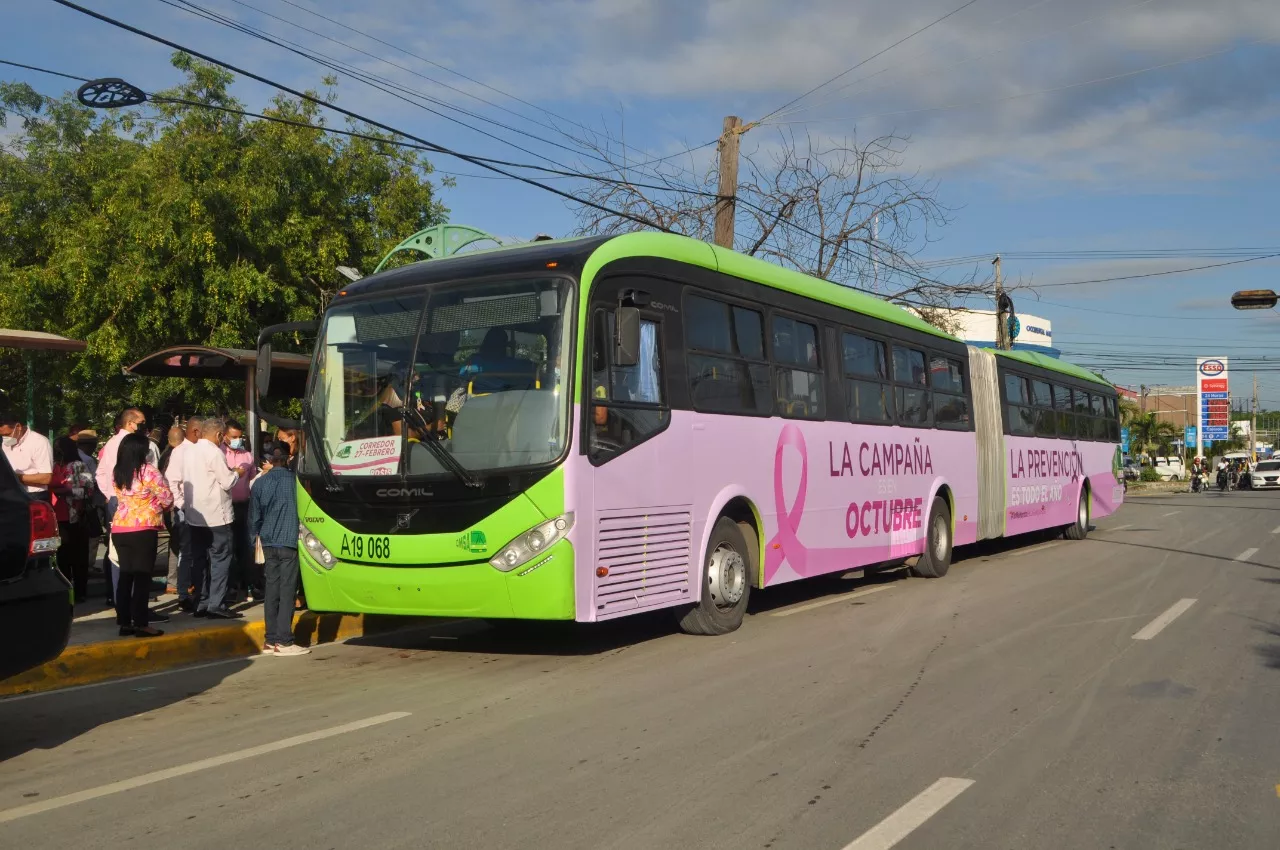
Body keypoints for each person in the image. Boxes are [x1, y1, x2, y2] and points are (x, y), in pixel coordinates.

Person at [185, 417, 251, 619]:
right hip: (216, 516)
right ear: (219, 435)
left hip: (195, 516)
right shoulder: (214, 452)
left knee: (199, 560)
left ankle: (202, 602)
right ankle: (216, 604)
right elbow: (227, 481)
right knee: (221, 559)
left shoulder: (189, 451)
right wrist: (238, 472)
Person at [112, 432, 172, 637]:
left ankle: (125, 621)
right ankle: (141, 623)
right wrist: (156, 507)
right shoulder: (149, 472)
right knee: (143, 576)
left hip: (120, 528)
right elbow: (167, 498)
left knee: (126, 576)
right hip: (143, 529)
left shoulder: (118, 472)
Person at [251, 443, 309, 656]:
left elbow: (254, 518)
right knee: (287, 591)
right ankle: (284, 640)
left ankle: (270, 638)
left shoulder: (260, 483)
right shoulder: (296, 482)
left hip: (267, 541)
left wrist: (255, 539)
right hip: (288, 540)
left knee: (271, 590)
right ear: (288, 457)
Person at [96, 409, 159, 603]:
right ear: (131, 423)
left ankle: (119, 601)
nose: (144, 426)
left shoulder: (111, 444)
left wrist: (112, 496)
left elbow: (101, 474)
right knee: (139, 563)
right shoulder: (139, 445)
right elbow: (157, 482)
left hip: (118, 504)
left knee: (118, 557)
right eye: (141, 422)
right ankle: (137, 607)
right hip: (140, 509)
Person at [51, 436, 95, 603]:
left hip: (75, 517)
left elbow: (88, 491)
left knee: (78, 556)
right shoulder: (55, 466)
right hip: (57, 517)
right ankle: (66, 591)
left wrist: (65, 491)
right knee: (62, 557)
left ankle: (80, 592)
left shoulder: (78, 466)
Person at [166, 416, 203, 612]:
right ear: (196, 431)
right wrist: (182, 505)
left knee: (202, 552)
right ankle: (183, 594)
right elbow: (172, 480)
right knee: (186, 552)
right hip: (187, 510)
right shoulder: (181, 452)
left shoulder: (204, 449)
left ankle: (199, 591)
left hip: (205, 509)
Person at [222, 420, 258, 602]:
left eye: (239, 437)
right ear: (225, 436)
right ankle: (230, 586)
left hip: (244, 506)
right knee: (228, 548)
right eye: (234, 437)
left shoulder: (247, 456)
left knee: (245, 547)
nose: (237, 440)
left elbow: (252, 479)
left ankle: (245, 585)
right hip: (225, 507)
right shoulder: (219, 454)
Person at [458, 328, 536, 394]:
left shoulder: (473, 360)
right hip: (505, 403)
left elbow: (461, 375)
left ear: (485, 343)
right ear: (504, 345)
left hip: (474, 403)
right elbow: (533, 371)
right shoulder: (513, 364)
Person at [0, 413, 54, 500]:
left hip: (33, 495)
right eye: (2, 436)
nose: (5, 439)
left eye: (7, 435)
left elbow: (46, 478)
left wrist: (15, 478)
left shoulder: (39, 442)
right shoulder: (5, 443)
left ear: (18, 427)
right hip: (10, 494)